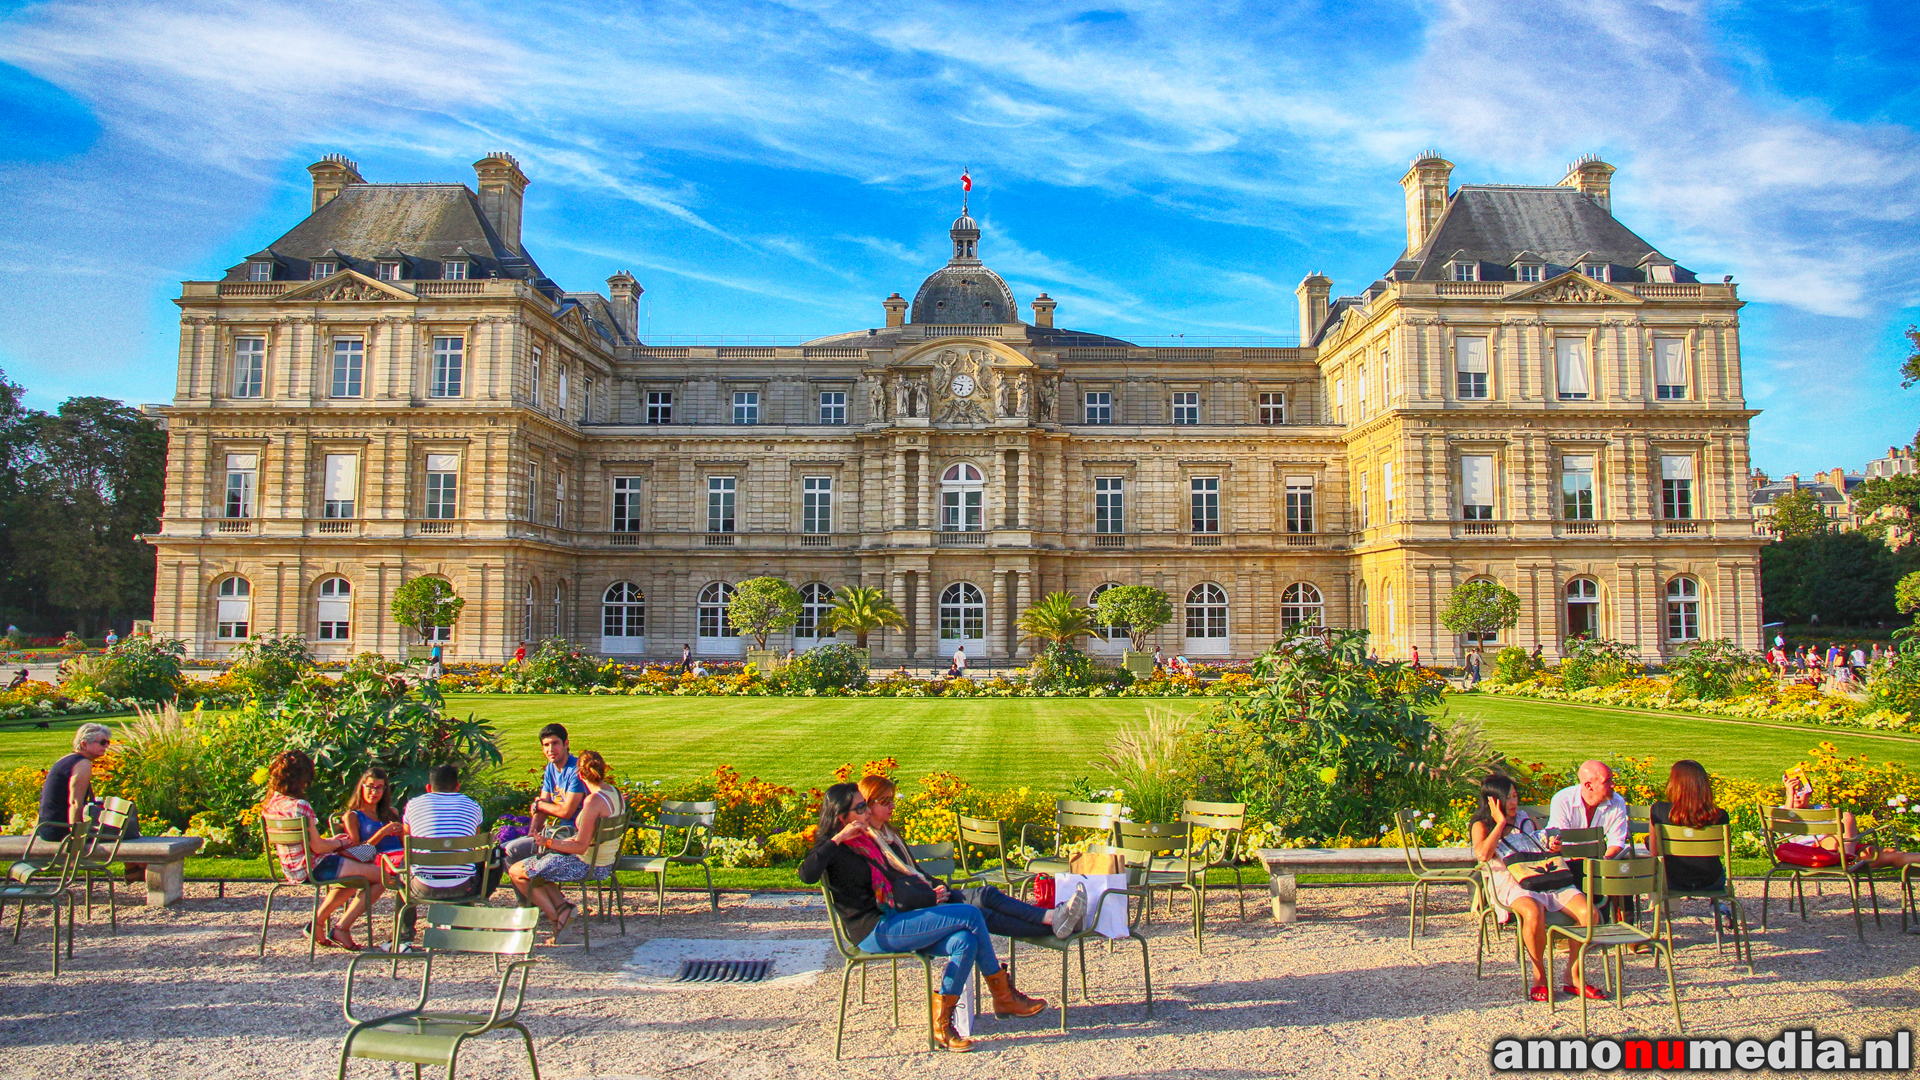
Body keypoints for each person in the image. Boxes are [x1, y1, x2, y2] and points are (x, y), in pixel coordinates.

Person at [799, 784, 1044, 1053]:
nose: (866, 811)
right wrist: (838, 839)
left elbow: (900, 880)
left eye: (865, 805)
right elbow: (806, 874)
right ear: (841, 816)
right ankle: (1003, 996)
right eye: (860, 807)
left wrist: (928, 894)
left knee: (964, 941)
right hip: (873, 930)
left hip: (897, 918)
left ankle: (942, 1025)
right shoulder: (833, 847)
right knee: (972, 914)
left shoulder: (868, 841)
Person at [855, 774, 1086, 940]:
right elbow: (892, 885)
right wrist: (929, 894)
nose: (893, 805)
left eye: (892, 799)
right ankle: (1056, 922)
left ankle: (1053, 919)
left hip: (927, 895)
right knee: (981, 913)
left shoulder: (890, 834)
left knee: (987, 894)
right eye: (885, 801)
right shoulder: (870, 842)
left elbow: (916, 870)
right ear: (868, 803)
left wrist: (938, 886)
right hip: (912, 909)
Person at [1470, 773, 1599, 1002]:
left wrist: (1553, 847)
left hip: (1547, 878)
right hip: (1512, 883)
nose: (1513, 802)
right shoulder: (1482, 825)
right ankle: (1540, 976)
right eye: (1508, 797)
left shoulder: (1526, 819)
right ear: (1493, 799)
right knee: (1533, 911)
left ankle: (1573, 973)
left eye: (1515, 796)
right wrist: (1500, 823)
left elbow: (1544, 848)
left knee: (1590, 913)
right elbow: (1482, 855)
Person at [261, 749, 385, 951]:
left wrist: (331, 842)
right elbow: (317, 847)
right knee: (382, 876)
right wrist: (339, 843)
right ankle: (340, 927)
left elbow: (309, 843)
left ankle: (318, 924)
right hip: (314, 867)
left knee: (354, 878)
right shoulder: (300, 806)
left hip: (290, 868)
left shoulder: (270, 804)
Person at [509, 750, 624, 944]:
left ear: (580, 776)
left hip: (586, 865)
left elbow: (580, 847)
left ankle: (558, 917)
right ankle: (563, 908)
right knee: (538, 867)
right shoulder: (615, 794)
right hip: (605, 862)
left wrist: (549, 842)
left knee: (516, 871)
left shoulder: (593, 801)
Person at [394, 763, 493, 947]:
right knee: (471, 861)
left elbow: (407, 840)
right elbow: (474, 841)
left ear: (429, 788)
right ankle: (463, 923)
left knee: (403, 865)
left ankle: (405, 935)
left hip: (423, 886)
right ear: (457, 786)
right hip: (462, 886)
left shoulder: (413, 806)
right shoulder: (473, 807)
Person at [1782, 771, 1920, 872]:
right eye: (1792, 791)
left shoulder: (1822, 808)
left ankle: (1848, 857)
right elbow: (1785, 822)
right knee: (1846, 816)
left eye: (1800, 790)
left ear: (1809, 791)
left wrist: (1831, 819)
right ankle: (1847, 858)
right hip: (1815, 852)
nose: (1796, 795)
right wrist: (1789, 795)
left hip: (1844, 850)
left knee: (1892, 854)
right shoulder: (1783, 810)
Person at [503, 724, 588, 866]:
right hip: (558, 833)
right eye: (546, 745)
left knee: (510, 851)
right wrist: (532, 834)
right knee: (501, 851)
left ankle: (535, 887)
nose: (550, 749)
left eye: (555, 743)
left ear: (566, 744)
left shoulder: (576, 770)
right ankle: (536, 887)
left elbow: (567, 812)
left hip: (573, 837)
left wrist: (541, 805)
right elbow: (541, 807)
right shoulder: (550, 769)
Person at [1648, 760, 1731, 893]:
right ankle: (1717, 906)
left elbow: (1654, 853)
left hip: (1672, 881)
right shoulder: (1720, 816)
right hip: (1711, 881)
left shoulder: (1659, 811)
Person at [1547, 760, 1630, 859]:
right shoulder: (1562, 800)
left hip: (1600, 862)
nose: (1613, 785)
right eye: (1607, 781)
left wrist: (1601, 866)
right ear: (1588, 786)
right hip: (1566, 861)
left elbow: (1616, 842)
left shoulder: (1617, 802)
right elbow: (1561, 840)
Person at [339, 767, 403, 868]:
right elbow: (355, 851)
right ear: (362, 787)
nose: (374, 792)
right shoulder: (352, 816)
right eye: (370, 786)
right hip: (382, 861)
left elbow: (405, 843)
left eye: (379, 787)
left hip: (403, 856)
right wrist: (382, 833)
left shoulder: (391, 812)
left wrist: (402, 831)